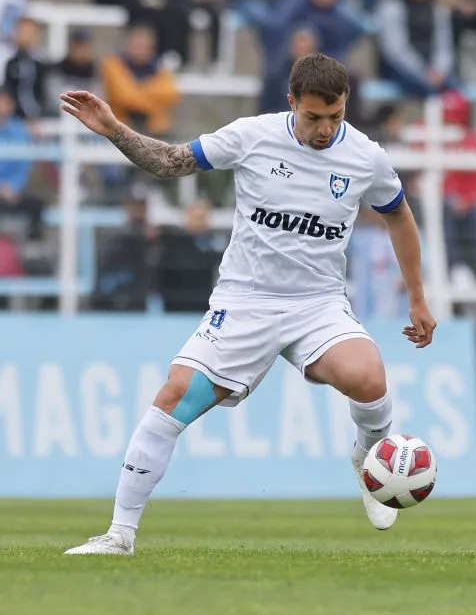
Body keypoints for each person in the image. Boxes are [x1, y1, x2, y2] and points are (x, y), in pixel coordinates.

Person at [60, 53, 437, 555]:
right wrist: (114, 130)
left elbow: (399, 217)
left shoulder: (366, 157)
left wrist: (417, 297)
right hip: (245, 302)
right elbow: (170, 162)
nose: (325, 129)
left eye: (335, 117)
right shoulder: (252, 135)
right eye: (313, 118)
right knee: (174, 397)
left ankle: (371, 462)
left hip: (317, 304)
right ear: (291, 103)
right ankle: (120, 534)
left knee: (369, 378)